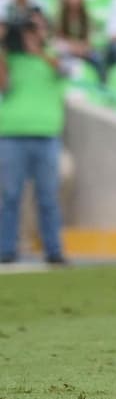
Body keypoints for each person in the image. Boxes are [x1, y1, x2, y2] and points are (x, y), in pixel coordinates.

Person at [0, 14, 68, 265]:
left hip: (46, 134)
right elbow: (3, 86)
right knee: (10, 196)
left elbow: (64, 71)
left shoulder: (53, 56)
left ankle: (54, 251)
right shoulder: (9, 58)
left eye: (35, 29)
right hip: (11, 134)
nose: (29, 34)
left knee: (48, 197)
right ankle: (6, 250)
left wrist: (37, 51)